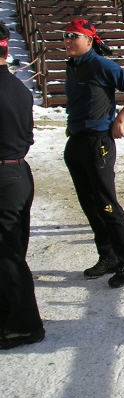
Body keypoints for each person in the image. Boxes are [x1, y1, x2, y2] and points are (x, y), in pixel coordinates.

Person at [63, 18, 124, 288]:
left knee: (108, 205)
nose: (68, 40)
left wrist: (120, 119)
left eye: (74, 35)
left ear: (89, 40)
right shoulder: (72, 65)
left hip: (98, 142)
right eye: (65, 35)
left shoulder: (101, 64)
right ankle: (107, 256)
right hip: (76, 140)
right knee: (90, 205)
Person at [0, 22, 44, 349]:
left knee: (8, 255)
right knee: (12, 250)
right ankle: (11, 316)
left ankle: (26, 325)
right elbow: (28, 137)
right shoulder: (21, 89)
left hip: (4, 176)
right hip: (19, 173)